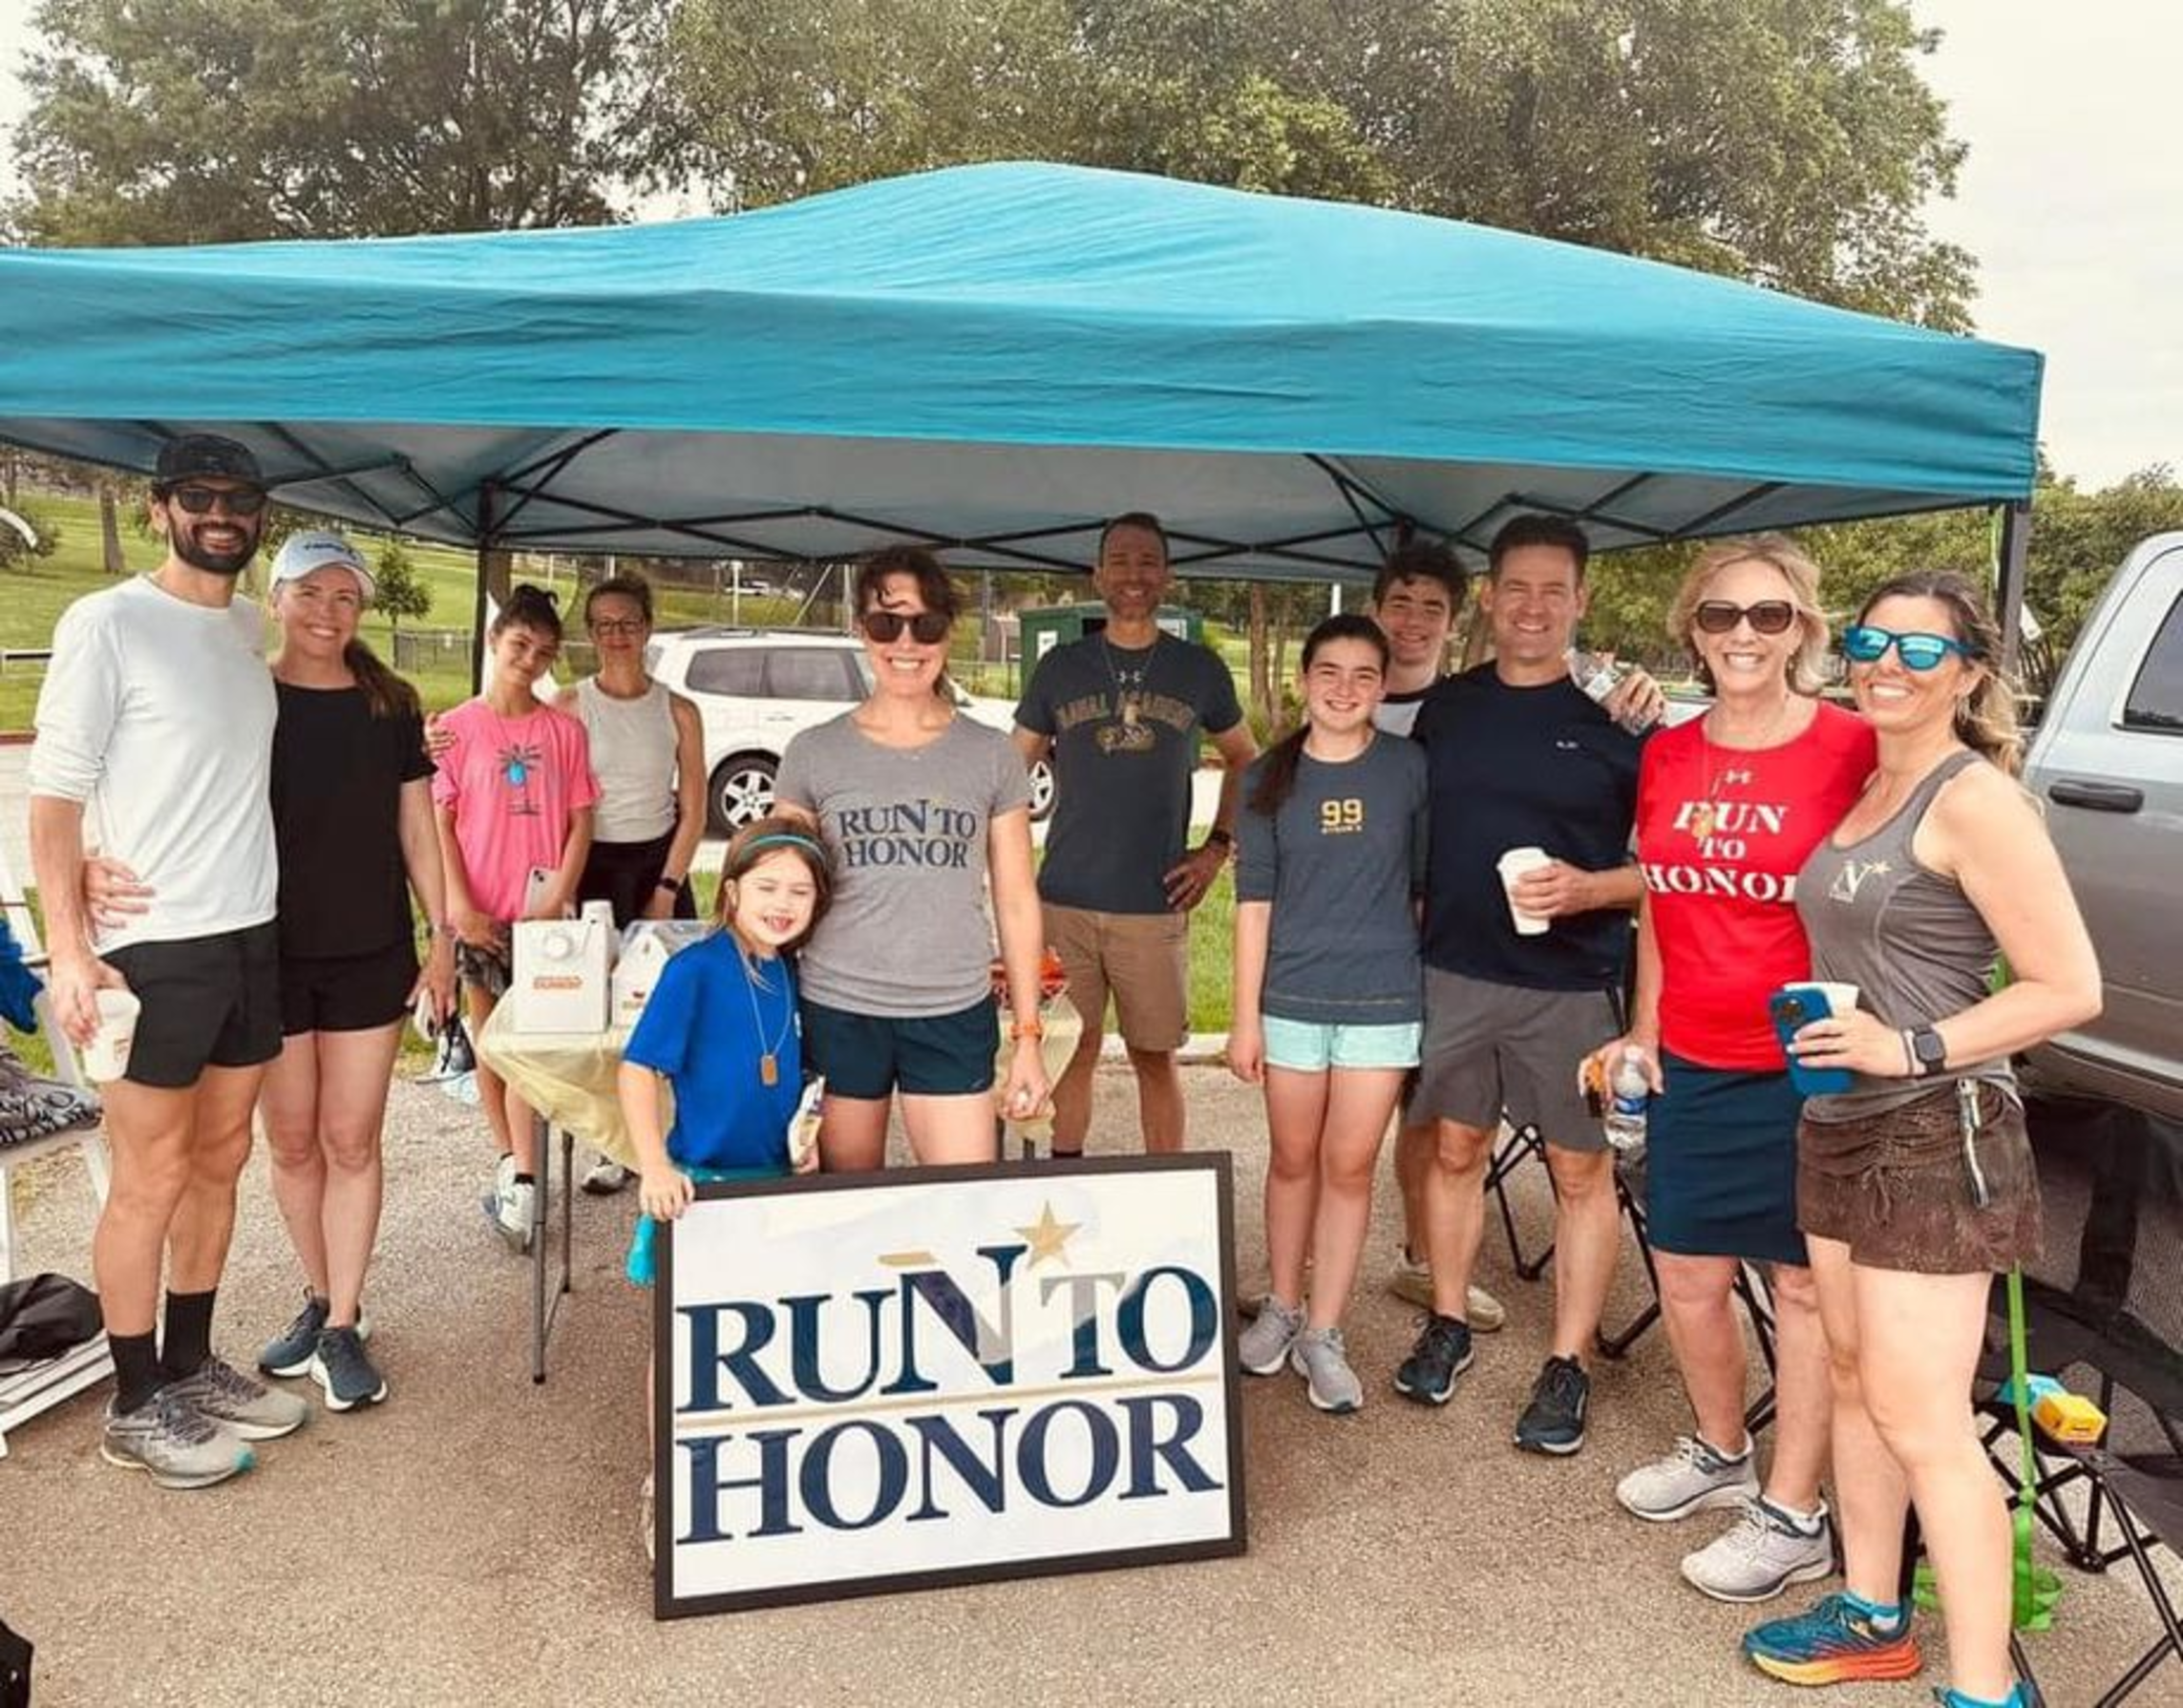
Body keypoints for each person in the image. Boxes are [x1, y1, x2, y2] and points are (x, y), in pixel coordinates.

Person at [1743, 574, 2099, 1708]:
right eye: (1869, 641)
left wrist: (1909, 1046)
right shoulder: (1869, 781)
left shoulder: (1975, 799)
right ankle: (1872, 1614)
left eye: (1919, 649)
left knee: (1923, 1418)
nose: (1886, 663)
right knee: (1855, 1382)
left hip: (1937, 1133)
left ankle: (1988, 1690)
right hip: (1838, 1122)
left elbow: (2068, 986)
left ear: (1969, 672)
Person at [1589, 536, 1876, 1602]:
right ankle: (1723, 1449)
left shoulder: (1850, 745)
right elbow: (1662, 905)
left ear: (1803, 629)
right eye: (1721, 615)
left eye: (1769, 614)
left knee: (1800, 1289)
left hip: (1806, 1062)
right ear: (1693, 632)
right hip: (1693, 1052)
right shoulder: (1669, 752)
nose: (1744, 634)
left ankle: (1795, 1515)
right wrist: (1645, 1029)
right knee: (1687, 1274)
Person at [30, 433, 307, 1487]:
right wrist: (69, 944)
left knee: (222, 1156)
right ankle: (134, 1400)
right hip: (152, 945)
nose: (221, 514)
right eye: (199, 497)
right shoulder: (105, 622)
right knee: (149, 1174)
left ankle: (189, 1362)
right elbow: (54, 797)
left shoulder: (244, 626)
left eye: (240, 498)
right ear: (159, 509)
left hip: (249, 931)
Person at [1394, 517, 1650, 1458]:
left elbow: (1666, 872)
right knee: (1455, 1150)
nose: (1533, 607)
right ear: (1491, 598)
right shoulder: (1448, 709)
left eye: (1554, 590)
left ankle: (1568, 1360)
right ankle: (1448, 1319)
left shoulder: (1624, 723)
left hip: (1572, 985)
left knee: (1581, 1173)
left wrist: (1591, 889)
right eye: (1517, 588)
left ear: (1581, 600)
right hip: (1455, 972)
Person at [776, 546, 1047, 1168]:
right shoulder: (813, 752)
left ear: (949, 632)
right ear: (860, 630)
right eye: (886, 622)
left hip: (952, 1006)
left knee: (962, 1199)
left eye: (925, 624)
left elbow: (1015, 898)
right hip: (838, 1005)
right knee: (846, 1200)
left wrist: (1028, 1036)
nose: (906, 642)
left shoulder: (992, 754)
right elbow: (779, 893)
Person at [1229, 616, 1428, 1414]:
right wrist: (1244, 1018)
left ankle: (1324, 1329)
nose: (1345, 689)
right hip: (1291, 1000)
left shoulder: (1408, 767)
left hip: (1381, 1000)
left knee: (1349, 1165)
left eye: (1364, 674)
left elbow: (1421, 888)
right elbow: (1252, 905)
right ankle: (1281, 1304)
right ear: (1304, 678)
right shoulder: (1265, 777)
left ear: (1383, 686)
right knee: (1291, 1157)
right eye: (1330, 672)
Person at [619, 815, 833, 1557]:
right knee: (685, 1342)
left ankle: (753, 1471)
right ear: (732, 889)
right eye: (767, 886)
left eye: (800, 891)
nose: (783, 903)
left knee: (766, 1333)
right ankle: (667, 1476)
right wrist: (654, 1164)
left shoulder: (790, 974)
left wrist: (805, 1141)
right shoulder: (696, 970)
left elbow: (792, 1079)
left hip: (772, 1187)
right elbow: (638, 1068)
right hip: (702, 1188)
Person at [1012, 513, 1258, 1155]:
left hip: (1154, 901)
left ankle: (1169, 1188)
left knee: (1155, 1056)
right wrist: (1003, 870)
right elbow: (1011, 769)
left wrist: (1216, 848)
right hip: (1064, 899)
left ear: (1167, 576)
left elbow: (1245, 757)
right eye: (1119, 560)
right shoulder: (1061, 667)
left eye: (1148, 561)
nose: (1133, 574)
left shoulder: (1198, 668)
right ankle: (1062, 1177)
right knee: (1072, 1048)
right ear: (1097, 574)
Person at [432, 585, 598, 1248]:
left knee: (532, 1044)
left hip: (544, 921)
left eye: (544, 652)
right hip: (480, 913)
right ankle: (510, 1162)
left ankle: (528, 1177)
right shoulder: (457, 728)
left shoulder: (564, 731)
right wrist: (459, 905)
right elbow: (441, 822)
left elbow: (582, 819)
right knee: (491, 1044)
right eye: (520, 645)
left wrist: (557, 896)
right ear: (495, 641)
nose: (529, 660)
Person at [560, 573, 705, 1195]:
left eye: (628, 623)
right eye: (604, 625)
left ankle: (679, 1140)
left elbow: (694, 807)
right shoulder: (568, 706)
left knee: (672, 1006)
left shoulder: (679, 710)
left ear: (648, 628)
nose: (617, 635)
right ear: (590, 634)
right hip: (590, 865)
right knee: (603, 1014)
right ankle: (614, 1145)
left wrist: (667, 886)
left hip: (659, 863)